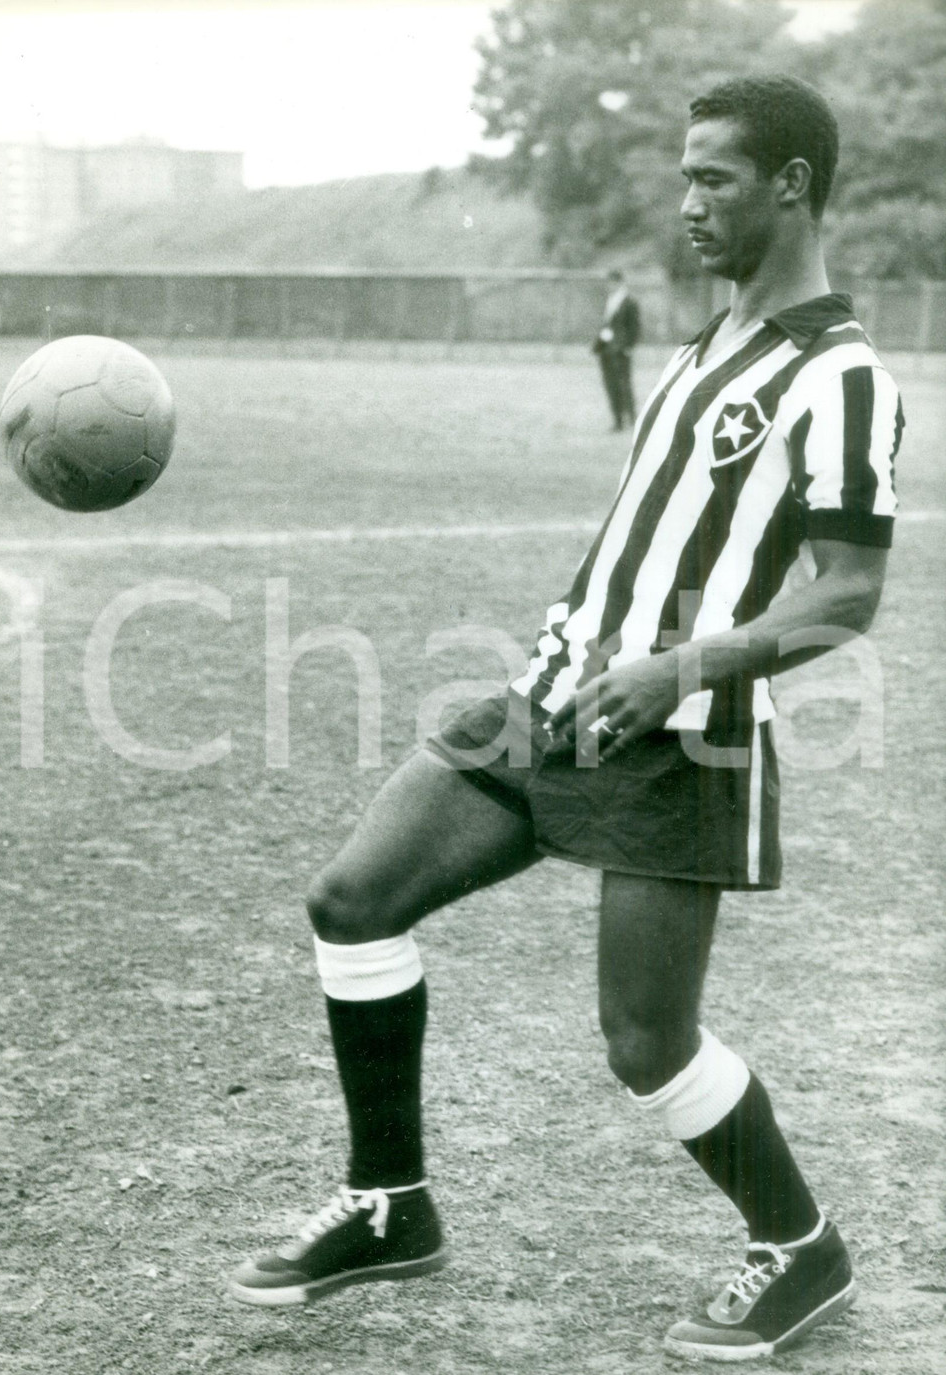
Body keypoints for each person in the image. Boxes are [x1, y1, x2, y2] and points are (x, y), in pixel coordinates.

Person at [229, 75, 903, 1363]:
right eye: (684, 175)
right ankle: (390, 1202)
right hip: (550, 695)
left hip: (684, 732)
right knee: (353, 901)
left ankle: (800, 1245)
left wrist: (680, 666)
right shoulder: (708, 341)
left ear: (790, 185)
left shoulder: (841, 375)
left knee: (644, 1042)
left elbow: (849, 593)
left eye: (712, 177)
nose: (686, 201)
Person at [592, 268, 641, 430]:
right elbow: (607, 325)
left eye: (612, 282)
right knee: (610, 384)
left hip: (621, 349)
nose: (609, 286)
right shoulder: (609, 300)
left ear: (620, 283)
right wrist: (599, 345)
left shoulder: (629, 302)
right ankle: (617, 419)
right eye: (608, 283)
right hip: (607, 349)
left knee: (624, 384)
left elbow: (635, 327)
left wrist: (629, 346)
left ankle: (631, 418)